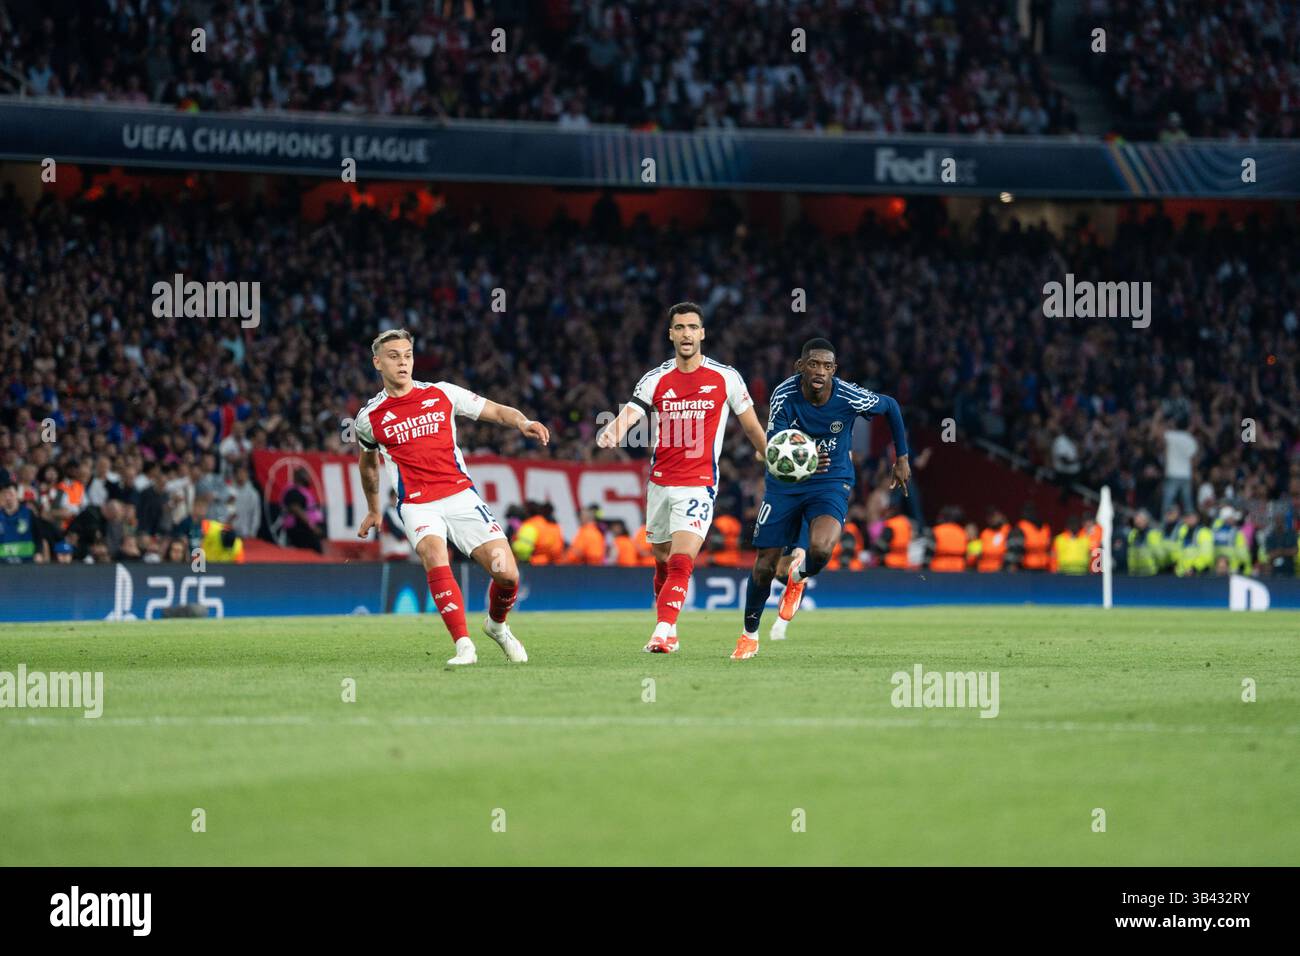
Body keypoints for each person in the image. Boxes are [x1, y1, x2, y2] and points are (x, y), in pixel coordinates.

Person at [355, 329, 550, 666]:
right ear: (377, 363)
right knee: (434, 552)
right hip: (417, 503)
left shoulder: (443, 393)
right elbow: (368, 465)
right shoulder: (368, 418)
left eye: (407, 355)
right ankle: (463, 645)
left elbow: (496, 410)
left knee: (508, 574)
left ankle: (497, 626)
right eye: (393, 356)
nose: (402, 362)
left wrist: (522, 421)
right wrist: (373, 509)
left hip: (460, 495)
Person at [596, 302, 767, 655]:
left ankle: (663, 630)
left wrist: (766, 451)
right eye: (680, 328)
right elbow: (631, 413)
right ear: (670, 334)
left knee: (682, 558)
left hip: (699, 482)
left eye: (693, 327)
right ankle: (668, 629)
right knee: (661, 559)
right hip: (660, 482)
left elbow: (749, 423)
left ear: (702, 333)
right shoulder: (656, 378)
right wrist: (613, 431)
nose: (687, 334)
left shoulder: (725, 377)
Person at [735, 337, 909, 660]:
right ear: (800, 367)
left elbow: (891, 406)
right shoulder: (784, 395)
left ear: (834, 370)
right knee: (765, 565)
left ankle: (797, 578)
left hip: (831, 481)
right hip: (786, 482)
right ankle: (749, 635)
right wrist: (806, 453)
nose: (820, 371)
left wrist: (902, 457)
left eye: (827, 366)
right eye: (813, 364)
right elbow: (774, 444)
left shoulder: (848, 395)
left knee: (821, 548)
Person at [0, 479, 45, 563]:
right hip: (2, 564)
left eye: (10, 493)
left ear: (17, 494)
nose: (7, 497)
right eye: (4, 494)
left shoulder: (28, 513)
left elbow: (38, 536)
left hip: (27, 562)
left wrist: (38, 553)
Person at [1126, 509, 1165, 576]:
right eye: (1136, 519)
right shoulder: (1132, 534)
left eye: (1140, 519)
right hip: (1134, 573)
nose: (1138, 521)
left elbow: (1159, 554)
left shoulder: (1153, 534)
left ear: (1146, 520)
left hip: (1151, 573)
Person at [929, 506, 968, 572]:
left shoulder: (936, 530)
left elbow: (929, 551)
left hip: (939, 566)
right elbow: (966, 553)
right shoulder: (962, 532)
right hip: (958, 567)